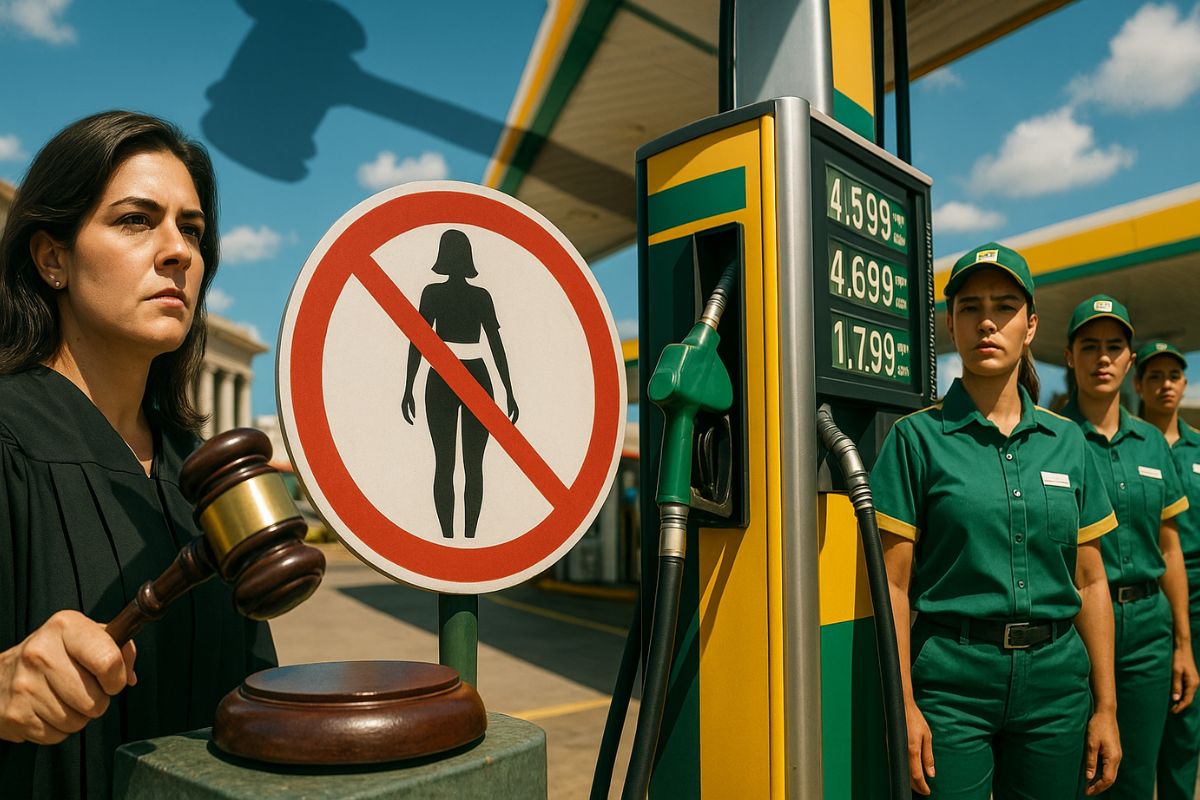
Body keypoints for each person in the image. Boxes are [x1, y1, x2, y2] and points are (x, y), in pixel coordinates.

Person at [0, 111, 276, 798]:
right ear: (52, 258)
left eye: (192, 228)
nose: (177, 250)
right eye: (134, 219)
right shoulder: (8, 440)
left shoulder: (203, 477)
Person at [872, 243, 1121, 798]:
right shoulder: (915, 440)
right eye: (970, 307)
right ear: (951, 326)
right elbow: (892, 583)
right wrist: (904, 703)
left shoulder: (1068, 442)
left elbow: (1091, 580)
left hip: (1057, 688)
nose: (987, 321)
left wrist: (1105, 706)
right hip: (950, 688)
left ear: (1030, 326)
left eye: (1005, 306)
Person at [1060, 296, 1197, 799]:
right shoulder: (1051, 438)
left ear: (1129, 360)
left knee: (1137, 777)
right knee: (1079, 774)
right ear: (1069, 356)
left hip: (1147, 633)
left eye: (1114, 347)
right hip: (1074, 628)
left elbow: (1171, 548)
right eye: (1089, 346)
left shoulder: (1152, 444)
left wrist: (1182, 644)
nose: (1102, 357)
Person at [401, 229, 518, 540]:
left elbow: (494, 343)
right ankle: (456, 541)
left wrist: (509, 390)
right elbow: (420, 341)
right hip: (464, 377)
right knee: (459, 464)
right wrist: (408, 386)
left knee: (456, 464)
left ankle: (460, 541)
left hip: (448, 378)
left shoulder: (436, 293)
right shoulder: (470, 295)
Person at [1132, 340, 1200, 799]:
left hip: (1196, 600)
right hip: (1147, 600)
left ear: (1184, 382)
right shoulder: (1130, 445)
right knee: (1135, 739)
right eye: (1154, 376)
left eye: (1172, 376)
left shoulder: (1198, 447)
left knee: (1186, 728)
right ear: (1138, 385)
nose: (1164, 385)